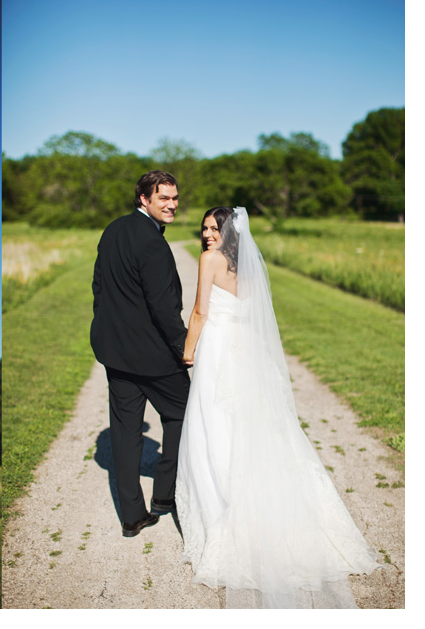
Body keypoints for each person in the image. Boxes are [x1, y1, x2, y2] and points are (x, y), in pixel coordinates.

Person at [175, 206, 381, 608]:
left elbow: (200, 311)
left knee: (213, 429)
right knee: (248, 432)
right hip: (245, 354)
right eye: (203, 229)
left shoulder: (210, 260)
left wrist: (187, 353)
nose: (205, 235)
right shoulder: (246, 265)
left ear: (227, 232)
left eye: (213, 228)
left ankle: (226, 515)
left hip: (217, 353)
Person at [90, 170, 190, 537]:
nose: (172, 205)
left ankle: (132, 516)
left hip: (115, 351)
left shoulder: (113, 229)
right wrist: (184, 347)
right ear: (144, 199)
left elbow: (98, 286)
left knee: (125, 430)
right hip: (153, 356)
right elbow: (164, 307)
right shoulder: (152, 242)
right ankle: (164, 495)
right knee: (184, 414)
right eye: (164, 198)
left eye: (175, 198)